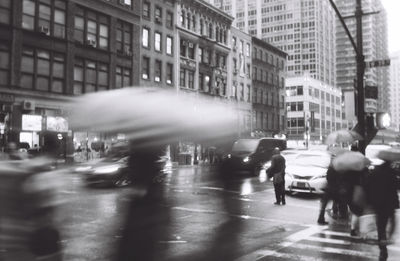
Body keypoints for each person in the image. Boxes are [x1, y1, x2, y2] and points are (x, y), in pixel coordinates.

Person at [365, 160, 399, 261]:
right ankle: (389, 237)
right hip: (390, 204)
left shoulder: (376, 171)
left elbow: (368, 186)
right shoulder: (392, 173)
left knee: (381, 227)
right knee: (392, 222)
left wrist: (370, 201)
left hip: (378, 204)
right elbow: (396, 187)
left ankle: (383, 249)